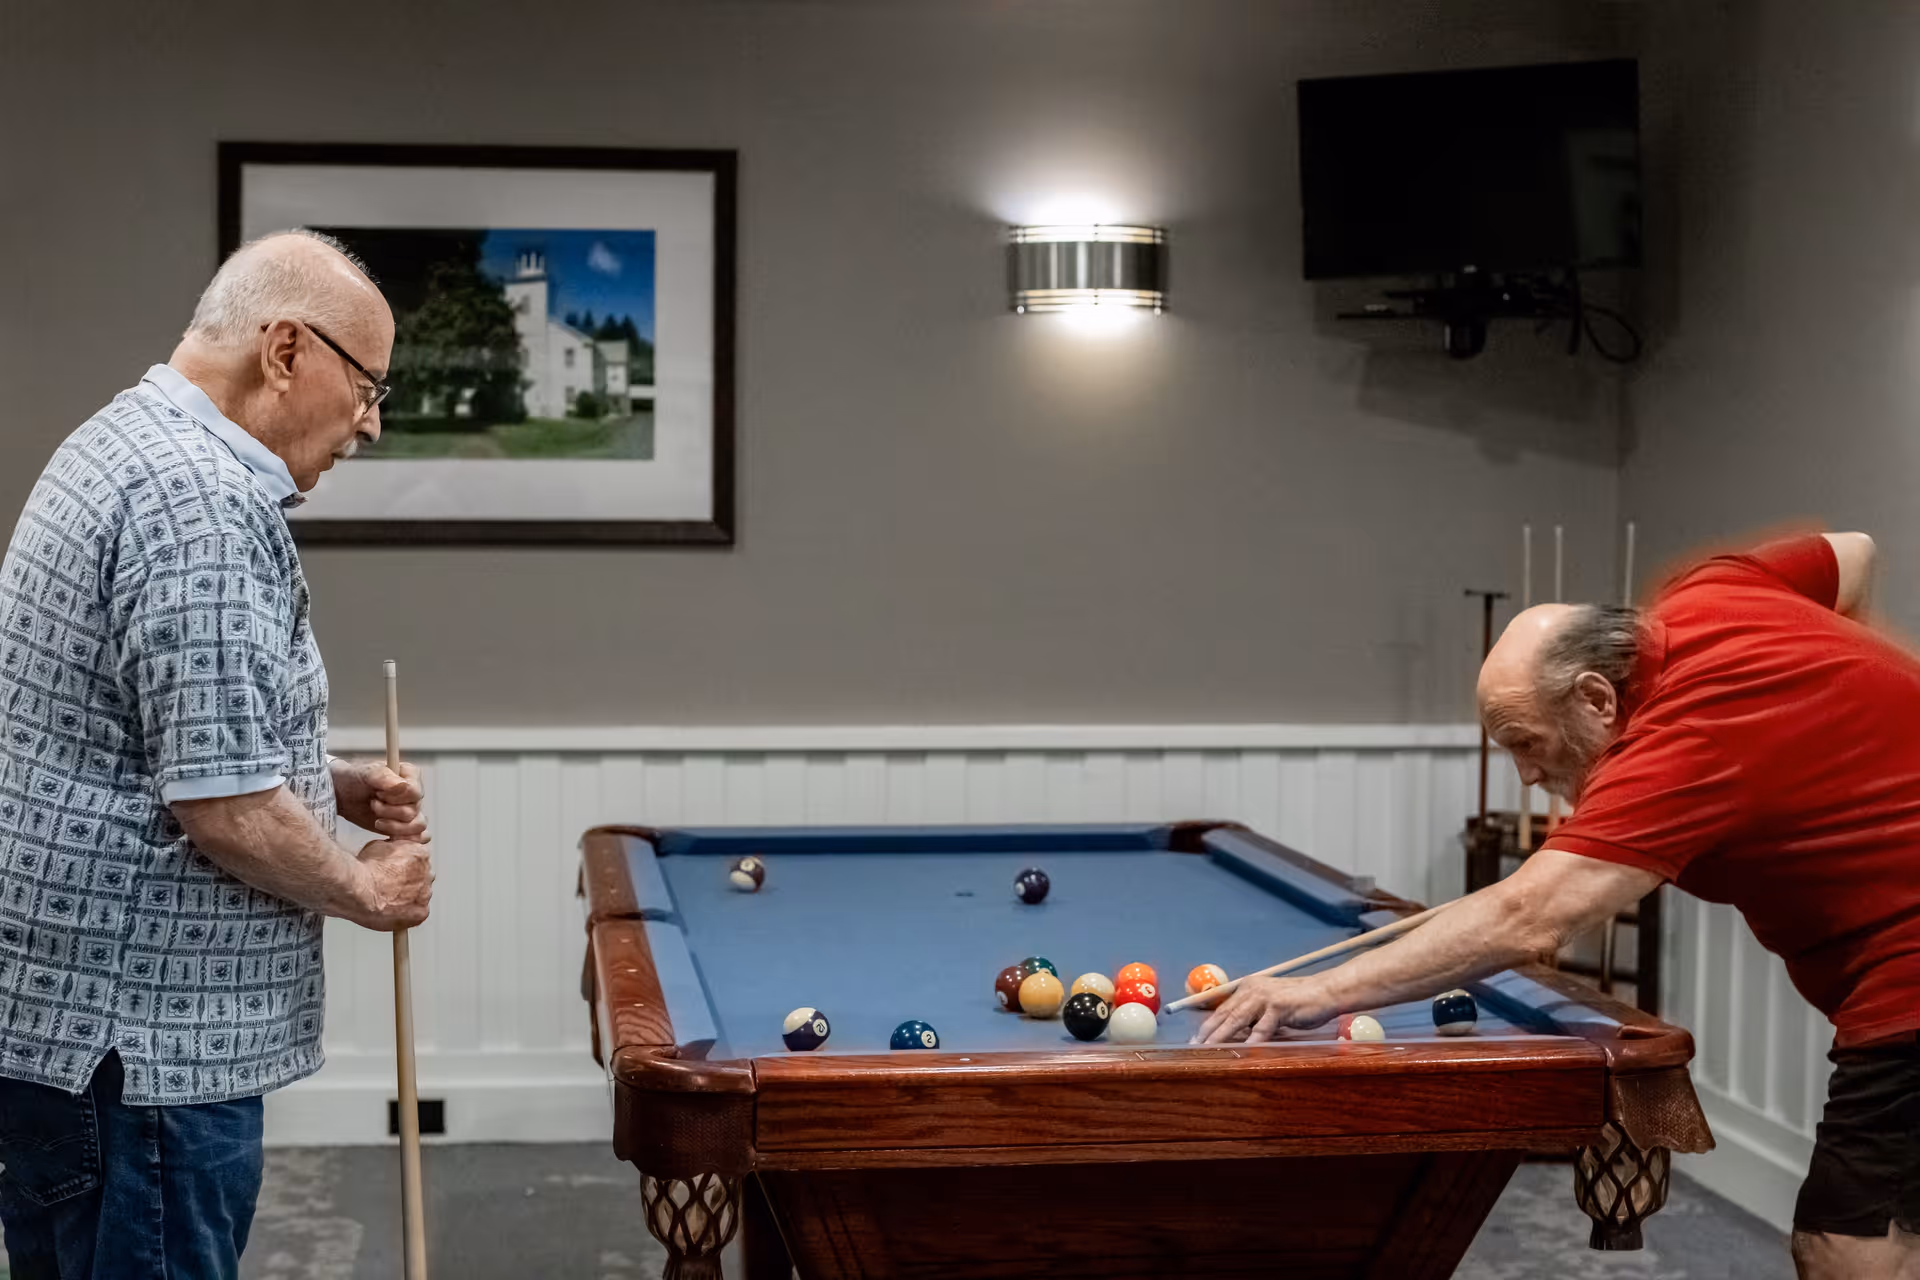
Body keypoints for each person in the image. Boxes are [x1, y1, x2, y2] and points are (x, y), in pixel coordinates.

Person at [1197, 531, 1919, 1280]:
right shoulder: (1712, 592)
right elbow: (1854, 553)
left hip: (1909, 978)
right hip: (1890, 973)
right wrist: (1852, 705)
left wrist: (1315, 990)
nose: (1526, 772)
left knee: (1849, 1248)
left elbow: (1529, 918)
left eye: (1525, 742)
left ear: (1598, 699)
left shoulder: (1683, 741)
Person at [0, 230, 435, 1278]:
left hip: (72, 1034)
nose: (371, 420)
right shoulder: (197, 500)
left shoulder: (128, 439)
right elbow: (225, 806)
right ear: (286, 349)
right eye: (368, 383)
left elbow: (144, 728)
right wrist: (369, 890)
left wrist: (325, 780)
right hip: (140, 1050)